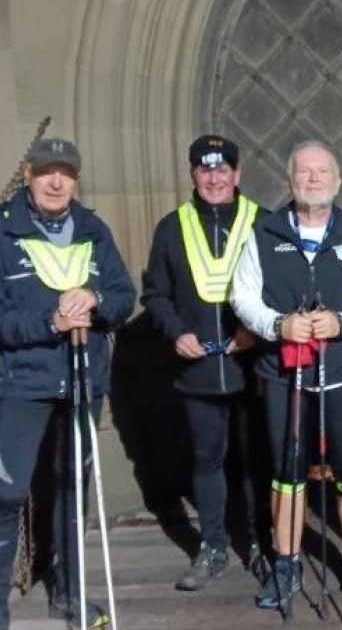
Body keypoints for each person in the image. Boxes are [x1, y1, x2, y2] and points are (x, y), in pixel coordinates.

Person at [231, 141, 342, 607]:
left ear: (338, 181)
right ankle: (286, 564)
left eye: (322, 171)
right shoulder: (264, 232)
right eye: (303, 172)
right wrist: (277, 325)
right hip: (283, 373)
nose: (313, 179)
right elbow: (242, 295)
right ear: (289, 180)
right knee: (287, 471)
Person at [0, 138, 135, 629]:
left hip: (83, 380)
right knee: (7, 493)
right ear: (29, 176)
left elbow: (124, 297)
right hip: (22, 383)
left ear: (76, 180)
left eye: (66, 173)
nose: (56, 182)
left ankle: (68, 594)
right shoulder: (5, 231)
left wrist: (95, 299)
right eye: (46, 172)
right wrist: (50, 321)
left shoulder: (94, 230)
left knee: (72, 490)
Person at [142, 134, 267, 590]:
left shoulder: (264, 222)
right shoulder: (170, 227)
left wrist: (256, 330)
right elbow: (156, 294)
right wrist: (177, 332)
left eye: (222, 169)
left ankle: (262, 543)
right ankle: (213, 547)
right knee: (207, 458)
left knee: (258, 461)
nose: (214, 178)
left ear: (237, 173)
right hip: (197, 369)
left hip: (253, 366)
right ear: (193, 174)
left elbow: (281, 289)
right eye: (204, 169)